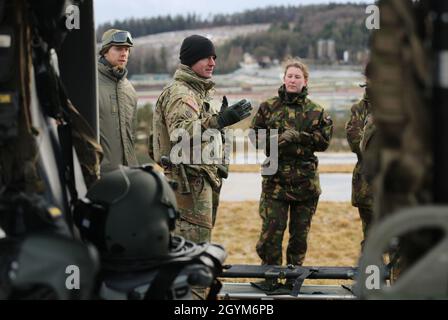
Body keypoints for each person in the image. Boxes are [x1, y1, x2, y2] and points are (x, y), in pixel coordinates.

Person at [152, 35, 252, 243]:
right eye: (206, 58)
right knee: (191, 246)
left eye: (214, 57)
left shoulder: (198, 92)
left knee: (199, 243)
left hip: (198, 181)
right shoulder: (182, 95)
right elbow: (181, 135)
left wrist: (219, 129)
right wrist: (219, 121)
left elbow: (204, 131)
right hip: (188, 185)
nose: (212, 63)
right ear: (191, 59)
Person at [251, 59, 333, 266]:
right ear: (284, 78)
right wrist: (278, 138)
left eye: (297, 77)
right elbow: (254, 138)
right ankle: (270, 277)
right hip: (275, 183)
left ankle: (292, 281)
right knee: (270, 235)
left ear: (305, 81)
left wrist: (299, 137)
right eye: (289, 76)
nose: (293, 80)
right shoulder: (268, 107)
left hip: (305, 184)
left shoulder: (316, 111)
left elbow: (323, 142)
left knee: (299, 239)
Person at [98, 29, 138, 174]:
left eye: (127, 49)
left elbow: (131, 135)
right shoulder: (91, 84)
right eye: (118, 49)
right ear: (105, 51)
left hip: (129, 174)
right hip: (99, 175)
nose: (124, 53)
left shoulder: (129, 90)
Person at [345, 85, 374, 247]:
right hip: (367, 186)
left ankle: (398, 274)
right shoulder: (359, 109)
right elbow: (356, 143)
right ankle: (373, 273)